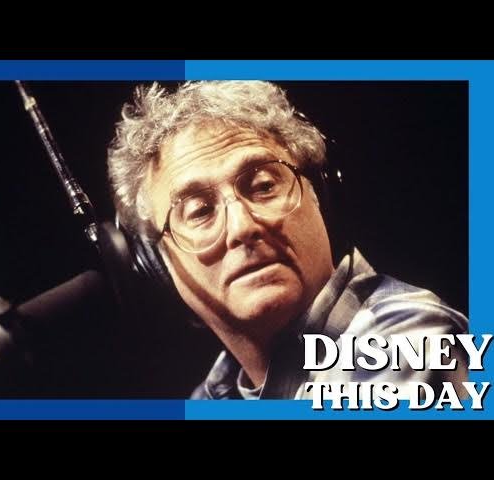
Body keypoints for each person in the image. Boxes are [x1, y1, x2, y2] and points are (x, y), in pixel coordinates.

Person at [107, 81, 468, 400]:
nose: (242, 227)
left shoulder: (406, 341)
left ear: (319, 196)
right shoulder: (215, 394)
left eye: (264, 186)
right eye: (200, 211)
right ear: (161, 265)